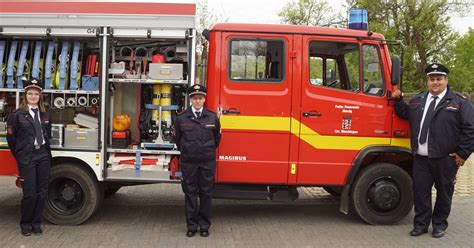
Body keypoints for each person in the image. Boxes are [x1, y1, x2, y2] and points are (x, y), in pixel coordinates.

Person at [391, 63, 474, 238]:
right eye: (432, 79)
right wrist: (398, 100)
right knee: (420, 193)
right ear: (427, 81)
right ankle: (420, 225)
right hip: (421, 158)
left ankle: (439, 225)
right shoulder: (418, 100)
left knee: (444, 193)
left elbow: (470, 129)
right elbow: (405, 114)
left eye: (439, 79)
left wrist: (463, 153)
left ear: (446, 80)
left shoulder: (459, 102)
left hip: (446, 159)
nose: (435, 82)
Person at [6, 78, 52, 236]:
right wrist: (21, 155)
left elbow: (48, 134)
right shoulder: (17, 116)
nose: (33, 96)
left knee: (42, 192)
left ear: (40, 96)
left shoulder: (45, 114)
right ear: (25, 96)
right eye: (30, 93)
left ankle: (36, 222)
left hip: (43, 156)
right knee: (30, 193)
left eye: (36, 94)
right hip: (27, 157)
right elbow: (11, 140)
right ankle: (25, 223)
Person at [174, 84, 221, 238]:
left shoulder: (212, 117)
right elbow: (178, 139)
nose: (198, 101)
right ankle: (192, 226)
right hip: (189, 163)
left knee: (206, 194)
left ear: (204, 99)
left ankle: (204, 226)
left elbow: (216, 139)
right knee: (190, 194)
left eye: (200, 98)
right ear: (191, 100)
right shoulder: (181, 118)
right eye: (195, 98)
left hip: (207, 162)